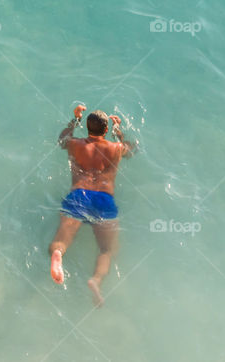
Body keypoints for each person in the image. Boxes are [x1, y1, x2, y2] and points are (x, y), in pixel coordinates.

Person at [49, 104, 135, 306]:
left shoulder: (75, 144)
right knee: (107, 250)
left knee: (62, 240)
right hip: (104, 199)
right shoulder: (115, 148)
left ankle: (58, 253)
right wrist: (118, 132)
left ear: (87, 128)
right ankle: (95, 280)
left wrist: (74, 119)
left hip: (78, 195)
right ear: (105, 131)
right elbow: (131, 150)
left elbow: (61, 140)